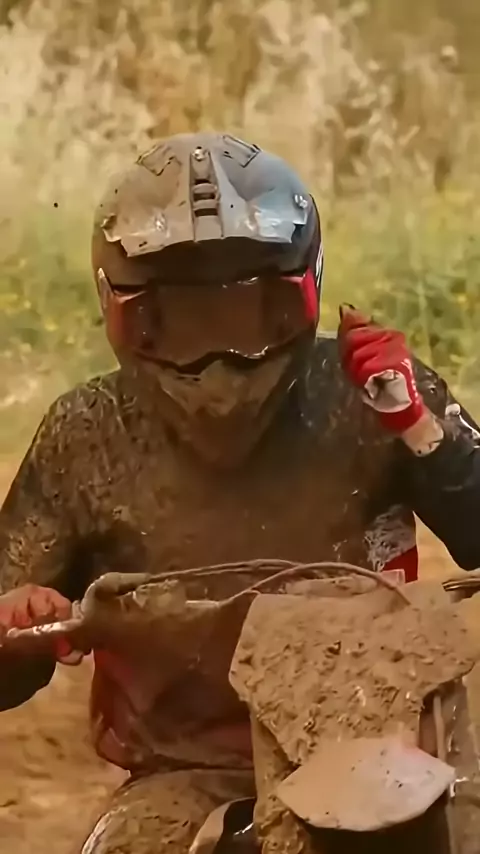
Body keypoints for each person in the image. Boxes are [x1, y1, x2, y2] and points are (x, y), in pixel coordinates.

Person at [0, 132, 480, 853]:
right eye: (181, 319)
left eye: (249, 312)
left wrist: (419, 428)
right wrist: (17, 627)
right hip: (182, 775)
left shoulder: (373, 393)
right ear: (119, 308)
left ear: (305, 289)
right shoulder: (85, 434)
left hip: (388, 749)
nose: (219, 359)